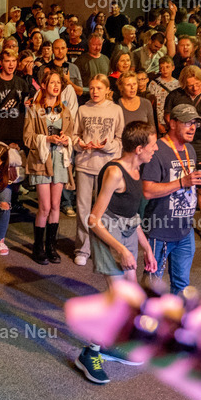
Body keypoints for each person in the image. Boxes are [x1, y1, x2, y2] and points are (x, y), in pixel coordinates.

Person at [76, 121, 159, 384]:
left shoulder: (138, 169)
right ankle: (89, 354)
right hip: (106, 233)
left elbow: (131, 215)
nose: (155, 149)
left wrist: (145, 247)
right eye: (153, 145)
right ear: (138, 148)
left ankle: (108, 343)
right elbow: (93, 219)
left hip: (126, 230)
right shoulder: (115, 173)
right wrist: (122, 249)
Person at [141, 105, 201, 294]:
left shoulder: (190, 149)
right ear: (172, 122)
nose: (192, 127)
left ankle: (175, 323)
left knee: (182, 285)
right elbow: (147, 191)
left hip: (185, 230)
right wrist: (183, 181)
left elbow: (188, 183)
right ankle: (144, 322)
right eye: (187, 122)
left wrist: (198, 178)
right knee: (152, 287)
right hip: (160, 231)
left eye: (195, 123)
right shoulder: (157, 151)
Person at [163, 67, 201, 242]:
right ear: (183, 84)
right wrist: (181, 124)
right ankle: (175, 222)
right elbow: (167, 119)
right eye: (190, 86)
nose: (194, 88)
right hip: (179, 143)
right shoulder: (174, 95)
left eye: (197, 84)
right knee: (176, 182)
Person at [24, 69, 74, 264]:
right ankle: (38, 247)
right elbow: (27, 138)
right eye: (52, 82)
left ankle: (51, 246)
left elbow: (72, 134)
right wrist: (46, 139)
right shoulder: (35, 109)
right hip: (41, 160)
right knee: (44, 207)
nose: (55, 86)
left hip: (60, 159)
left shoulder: (65, 110)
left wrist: (64, 139)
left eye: (58, 83)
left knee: (55, 206)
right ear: (43, 86)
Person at [72, 75, 124, 266]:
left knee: (106, 210)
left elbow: (120, 139)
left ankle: (104, 247)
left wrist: (106, 145)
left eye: (99, 88)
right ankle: (83, 249)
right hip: (85, 164)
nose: (95, 92)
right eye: (92, 88)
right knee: (83, 209)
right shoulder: (83, 109)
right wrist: (80, 144)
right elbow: (75, 135)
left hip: (107, 167)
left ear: (107, 90)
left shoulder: (115, 110)